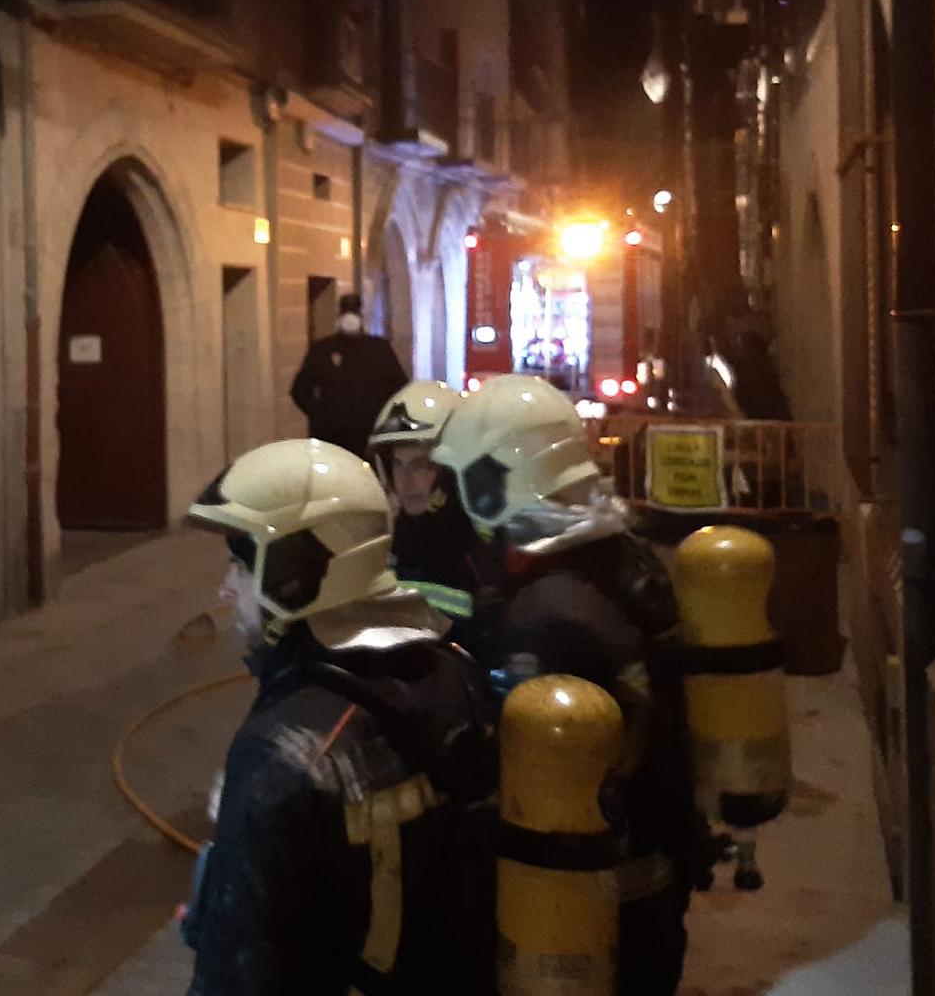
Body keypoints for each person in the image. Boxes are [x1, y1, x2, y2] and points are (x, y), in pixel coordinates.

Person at [180, 438, 498, 996]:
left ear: (295, 570)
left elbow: (239, 975)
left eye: (240, 563)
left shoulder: (286, 750)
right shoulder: (454, 672)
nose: (226, 589)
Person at [431, 376, 710, 996]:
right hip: (651, 874)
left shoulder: (546, 618)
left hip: (582, 912)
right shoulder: (623, 560)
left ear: (493, 481)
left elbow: (506, 767)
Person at [366, 380, 496, 643]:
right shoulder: (390, 540)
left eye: (421, 465)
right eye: (397, 464)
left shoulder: (482, 551)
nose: (404, 482)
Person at [289, 294, 410, 459]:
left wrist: (383, 420)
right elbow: (300, 390)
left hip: (370, 436)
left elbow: (399, 388)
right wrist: (322, 416)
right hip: (332, 438)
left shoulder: (379, 349)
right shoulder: (323, 350)